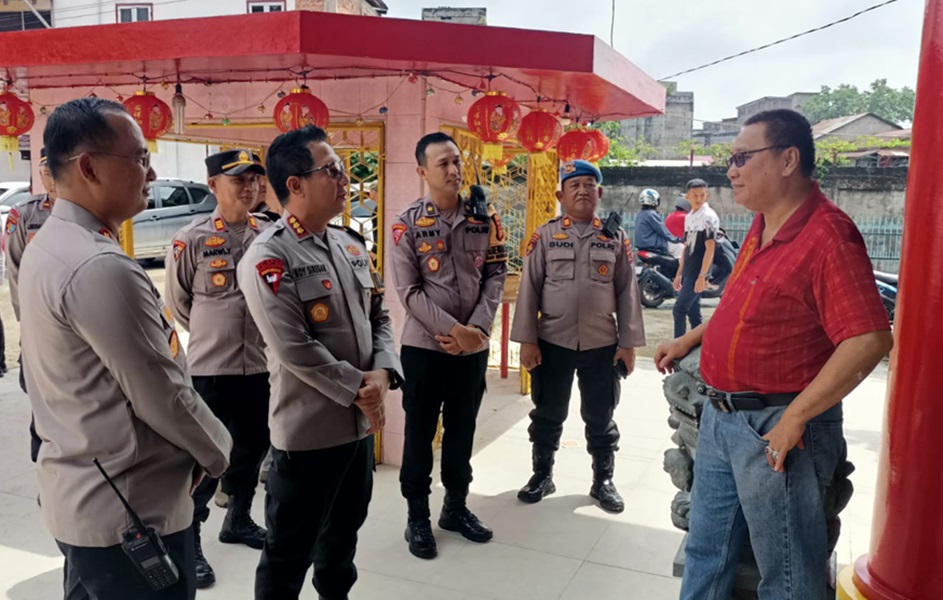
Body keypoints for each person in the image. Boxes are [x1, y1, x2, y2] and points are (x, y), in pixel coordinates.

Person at [655, 109, 893, 600]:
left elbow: (869, 338)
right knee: (707, 552)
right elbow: (741, 305)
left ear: (788, 160)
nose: (731, 169)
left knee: (786, 576)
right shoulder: (763, 225)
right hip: (720, 419)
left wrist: (797, 417)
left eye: (742, 156)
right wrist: (690, 338)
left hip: (776, 426)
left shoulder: (828, 235)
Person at [19, 97, 232, 600]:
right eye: (138, 158)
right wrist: (219, 451)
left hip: (86, 496)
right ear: (88, 167)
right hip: (130, 512)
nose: (152, 171)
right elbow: (161, 392)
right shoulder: (98, 266)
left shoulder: (51, 243)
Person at [238, 124, 402, 600]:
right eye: (331, 170)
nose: (344, 178)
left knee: (342, 543)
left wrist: (384, 370)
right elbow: (293, 347)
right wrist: (361, 389)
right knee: (288, 556)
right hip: (308, 436)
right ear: (295, 184)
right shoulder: (269, 257)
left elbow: (380, 314)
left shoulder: (350, 244)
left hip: (355, 433)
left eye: (342, 169)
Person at [390, 132, 508, 560]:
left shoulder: (484, 216)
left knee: (462, 430)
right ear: (422, 171)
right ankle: (416, 516)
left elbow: (496, 273)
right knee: (420, 434)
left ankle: (455, 507)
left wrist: (475, 329)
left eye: (456, 161)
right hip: (424, 348)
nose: (453, 170)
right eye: (442, 163)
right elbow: (408, 291)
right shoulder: (405, 224)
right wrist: (456, 331)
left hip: (471, 349)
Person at [510, 160, 645, 513]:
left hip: (602, 344)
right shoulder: (545, 235)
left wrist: (628, 344)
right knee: (548, 411)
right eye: (575, 185)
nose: (583, 190)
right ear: (561, 194)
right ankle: (542, 475)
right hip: (553, 342)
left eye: (589, 184)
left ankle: (603, 481)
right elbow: (529, 289)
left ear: (599, 193)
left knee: (600, 415)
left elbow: (628, 291)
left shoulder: (614, 236)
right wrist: (527, 340)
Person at [165, 149, 272, 589]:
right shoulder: (189, 239)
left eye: (253, 180)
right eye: (237, 180)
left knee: (253, 447)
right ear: (213, 186)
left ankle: (239, 521)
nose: (248, 187)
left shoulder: (268, 234)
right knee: (207, 458)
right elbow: (178, 302)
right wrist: (219, 332)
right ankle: (192, 541)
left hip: (263, 366)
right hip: (213, 368)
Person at [4, 149, 57, 460]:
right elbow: (15, 273)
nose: (50, 178)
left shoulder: (94, 212)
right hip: (39, 330)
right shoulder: (25, 215)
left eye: (55, 170)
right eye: (45, 171)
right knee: (41, 407)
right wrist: (29, 323)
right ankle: (45, 467)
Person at [672, 179, 719, 337]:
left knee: (679, 309)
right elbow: (686, 247)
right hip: (688, 271)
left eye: (701, 195)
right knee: (693, 312)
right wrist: (679, 274)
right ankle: (699, 347)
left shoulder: (709, 217)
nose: (698, 199)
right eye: (694, 195)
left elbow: (710, 248)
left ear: (707, 195)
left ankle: (677, 347)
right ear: (687, 197)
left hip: (698, 272)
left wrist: (703, 275)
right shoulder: (690, 217)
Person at [634, 188, 681, 256]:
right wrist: (676, 239)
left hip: (643, 245)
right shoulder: (651, 214)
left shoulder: (641, 214)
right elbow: (663, 231)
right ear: (654, 200)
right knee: (680, 248)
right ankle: (681, 267)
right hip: (653, 245)